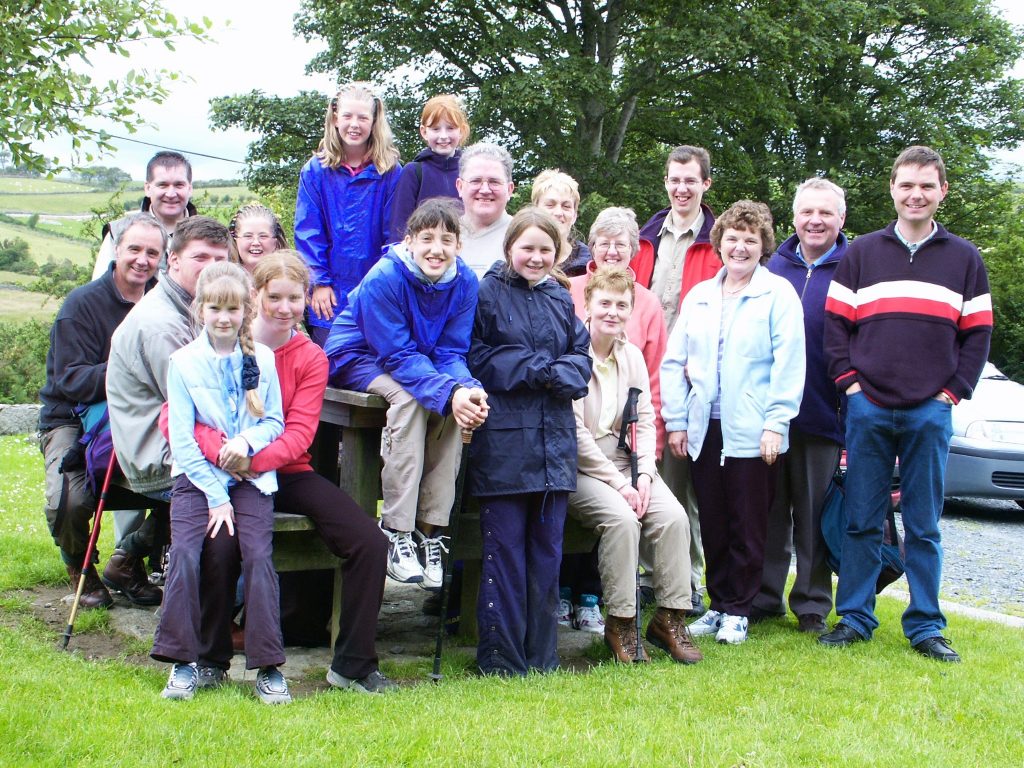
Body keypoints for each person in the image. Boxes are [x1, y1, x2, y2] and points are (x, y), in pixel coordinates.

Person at [169, 251, 396, 694]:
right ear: (256, 296)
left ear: (307, 300)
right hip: (219, 471)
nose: (286, 308)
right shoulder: (221, 338)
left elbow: (298, 433)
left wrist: (252, 461)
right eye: (275, 297)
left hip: (284, 471)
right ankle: (210, 658)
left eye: (296, 298)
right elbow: (173, 418)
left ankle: (352, 664)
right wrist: (224, 455)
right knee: (220, 545)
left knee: (369, 541)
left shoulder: (310, 356)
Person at [820, 146, 992, 662]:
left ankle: (925, 625)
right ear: (892, 189)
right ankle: (854, 616)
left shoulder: (964, 259)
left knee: (924, 524)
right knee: (861, 520)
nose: (915, 194)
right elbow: (835, 328)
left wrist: (950, 392)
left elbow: (978, 335)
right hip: (868, 406)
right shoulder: (862, 254)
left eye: (926, 185)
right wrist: (851, 386)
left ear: (942, 191)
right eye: (906, 184)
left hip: (930, 410)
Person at [325, 199, 489, 589]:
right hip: (360, 355)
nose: (437, 248)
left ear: (458, 246)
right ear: (410, 241)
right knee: (412, 399)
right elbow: (396, 355)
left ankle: (431, 532)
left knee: (455, 406)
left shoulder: (464, 282)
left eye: (446, 240)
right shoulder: (385, 277)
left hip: (417, 360)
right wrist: (447, 390)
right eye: (427, 238)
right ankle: (396, 530)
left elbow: (451, 352)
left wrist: (467, 390)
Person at [662, 200, 805, 645]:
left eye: (750, 239)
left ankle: (739, 609)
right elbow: (674, 362)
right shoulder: (700, 295)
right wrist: (677, 419)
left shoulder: (777, 293)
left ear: (763, 246)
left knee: (749, 521)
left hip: (754, 428)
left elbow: (789, 362)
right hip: (706, 427)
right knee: (714, 519)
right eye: (733, 239)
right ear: (719, 243)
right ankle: (718, 602)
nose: (740, 247)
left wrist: (776, 424)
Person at [154, 262, 289, 704]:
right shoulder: (183, 363)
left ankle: (269, 666)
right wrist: (216, 496)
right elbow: (182, 437)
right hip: (197, 480)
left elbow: (273, 421)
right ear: (201, 309)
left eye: (233, 309)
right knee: (187, 555)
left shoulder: (261, 359)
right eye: (215, 308)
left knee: (256, 555)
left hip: (250, 477)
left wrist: (246, 444)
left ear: (247, 311)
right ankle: (183, 661)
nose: (224, 318)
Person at [468, 207, 591, 677]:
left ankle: (543, 657)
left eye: (546, 249)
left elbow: (580, 355)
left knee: (547, 555)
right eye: (528, 248)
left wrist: (560, 373)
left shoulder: (561, 298)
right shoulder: (487, 294)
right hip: (504, 446)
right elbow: (479, 356)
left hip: (554, 445)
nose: (536, 257)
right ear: (510, 248)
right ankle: (502, 659)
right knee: (507, 556)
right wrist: (538, 369)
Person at [569, 267, 701, 665]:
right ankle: (621, 621)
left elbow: (644, 418)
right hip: (582, 466)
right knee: (622, 520)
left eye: (621, 305)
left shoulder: (633, 356)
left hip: (629, 461)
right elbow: (574, 434)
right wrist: (621, 486)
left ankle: (670, 617)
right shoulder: (573, 355)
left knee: (674, 517)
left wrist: (644, 474)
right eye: (604, 303)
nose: (612, 311)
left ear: (631, 310)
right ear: (587, 305)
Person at [37, 213, 164, 608]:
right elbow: (69, 380)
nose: (142, 260)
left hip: (144, 418)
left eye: (152, 252)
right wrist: (128, 370)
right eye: (134, 250)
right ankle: (80, 566)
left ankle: (128, 556)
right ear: (117, 250)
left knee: (196, 486)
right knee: (69, 502)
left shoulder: (168, 302)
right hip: (72, 420)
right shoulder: (82, 304)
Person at [561, 206, 669, 632]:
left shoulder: (647, 305)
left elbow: (650, 384)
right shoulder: (568, 289)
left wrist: (646, 463)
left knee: (636, 511)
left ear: (633, 250)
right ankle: (565, 594)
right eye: (603, 241)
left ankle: (598, 599)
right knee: (596, 506)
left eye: (620, 243)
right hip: (580, 433)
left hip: (626, 436)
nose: (611, 250)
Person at [752, 178, 849, 633]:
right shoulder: (772, 268)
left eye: (825, 213)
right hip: (769, 414)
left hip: (822, 413)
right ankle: (763, 595)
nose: (815, 220)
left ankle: (811, 604)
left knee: (812, 516)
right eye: (808, 212)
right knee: (768, 510)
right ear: (793, 217)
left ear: (840, 219)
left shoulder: (855, 268)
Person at [635, 146, 722, 614]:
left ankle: (687, 581)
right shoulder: (647, 237)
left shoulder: (717, 239)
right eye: (674, 179)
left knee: (685, 486)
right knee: (652, 476)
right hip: (647, 371)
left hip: (694, 380)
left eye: (691, 180)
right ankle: (650, 577)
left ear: (706, 184)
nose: (681, 188)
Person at [107, 217, 232, 503]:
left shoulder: (196, 307)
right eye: (200, 257)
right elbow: (204, 407)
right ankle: (153, 537)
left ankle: (146, 537)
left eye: (220, 259)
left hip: (185, 446)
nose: (212, 267)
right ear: (173, 260)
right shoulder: (161, 326)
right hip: (162, 461)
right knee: (263, 491)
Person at [295, 82, 402, 347]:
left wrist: (383, 287)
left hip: (377, 290)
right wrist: (319, 283)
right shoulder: (315, 170)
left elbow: (395, 234)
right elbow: (308, 231)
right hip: (329, 294)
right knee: (332, 368)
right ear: (335, 118)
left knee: (374, 364)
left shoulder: (390, 171)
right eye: (347, 116)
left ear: (374, 120)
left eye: (363, 117)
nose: (354, 124)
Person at [91, 151, 196, 279]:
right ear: (147, 188)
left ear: (190, 189)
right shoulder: (118, 231)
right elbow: (100, 291)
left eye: (179, 185)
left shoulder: (209, 235)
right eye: (162, 185)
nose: (171, 193)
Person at [390, 95, 470, 239]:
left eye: (450, 128)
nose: (443, 136)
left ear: (461, 130)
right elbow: (399, 226)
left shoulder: (470, 171)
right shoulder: (414, 172)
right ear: (424, 132)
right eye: (436, 129)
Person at [456, 142, 515, 277]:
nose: (485, 190)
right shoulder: (443, 236)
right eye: (475, 181)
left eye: (494, 182)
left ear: (509, 189)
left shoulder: (523, 236)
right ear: (460, 186)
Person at [531, 169, 591, 276]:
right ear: (535, 210)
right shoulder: (519, 260)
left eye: (566, 206)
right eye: (550, 205)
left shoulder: (589, 266)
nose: (558, 212)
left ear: (574, 216)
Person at [229, 203, 289, 272]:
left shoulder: (290, 279)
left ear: (275, 240)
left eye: (263, 236)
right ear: (235, 239)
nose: (256, 242)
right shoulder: (223, 278)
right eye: (248, 236)